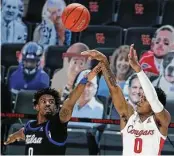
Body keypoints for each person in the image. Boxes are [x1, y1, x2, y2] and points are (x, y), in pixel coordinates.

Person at [81, 45, 171, 156]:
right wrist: (104, 62)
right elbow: (114, 89)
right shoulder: (129, 116)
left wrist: (138, 70)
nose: (139, 100)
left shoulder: (161, 121)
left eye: (144, 98)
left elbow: (153, 99)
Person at [4, 63, 102, 155]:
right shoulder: (30, 126)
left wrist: (86, 79)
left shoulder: (57, 125)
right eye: (43, 101)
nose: (47, 104)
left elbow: (71, 101)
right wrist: (13, 136)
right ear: (36, 106)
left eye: (51, 102)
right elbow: (24, 132)